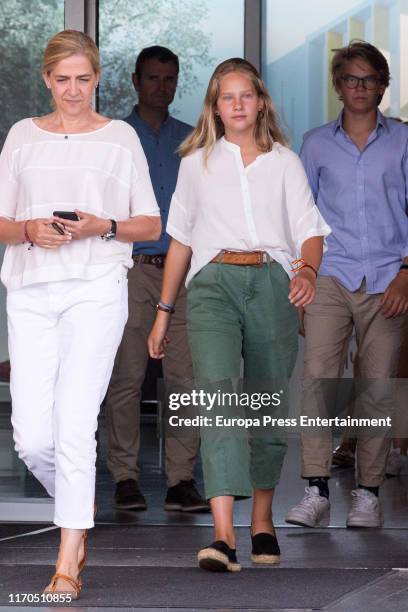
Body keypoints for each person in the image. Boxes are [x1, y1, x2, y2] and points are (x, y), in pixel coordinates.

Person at [148, 57, 330, 572]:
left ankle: (263, 521)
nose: (236, 104)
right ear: (215, 106)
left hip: (272, 282)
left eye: (245, 95)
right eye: (226, 97)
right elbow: (180, 239)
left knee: (266, 405)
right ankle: (223, 535)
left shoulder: (285, 162)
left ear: (260, 102)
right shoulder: (195, 162)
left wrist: (308, 272)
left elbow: (309, 231)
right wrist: (164, 312)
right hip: (211, 287)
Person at [0, 30, 160, 598]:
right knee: (31, 437)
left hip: (96, 288)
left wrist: (102, 226)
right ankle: (79, 506)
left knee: (73, 423)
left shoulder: (119, 138)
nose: (73, 90)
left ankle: (69, 554)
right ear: (46, 80)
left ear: (98, 79)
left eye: (84, 79)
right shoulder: (21, 136)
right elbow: (0, 219)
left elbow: (150, 222)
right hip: (31, 291)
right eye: (62, 79)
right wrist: (26, 229)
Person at [286, 41, 408, 530]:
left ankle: (368, 493)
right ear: (338, 85)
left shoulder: (403, 140)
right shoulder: (315, 143)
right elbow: (300, 218)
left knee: (376, 387)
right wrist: (302, 276)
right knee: (319, 381)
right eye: (351, 79)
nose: (360, 88)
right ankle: (315, 490)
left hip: (387, 280)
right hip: (330, 276)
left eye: (370, 79)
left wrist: (406, 273)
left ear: (383, 84)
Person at [105, 46, 208, 512]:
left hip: (182, 273)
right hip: (130, 270)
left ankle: (180, 480)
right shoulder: (112, 138)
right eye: (152, 78)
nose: (161, 87)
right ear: (135, 80)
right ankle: (125, 477)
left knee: (183, 379)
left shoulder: (193, 139)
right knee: (126, 377)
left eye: (169, 78)